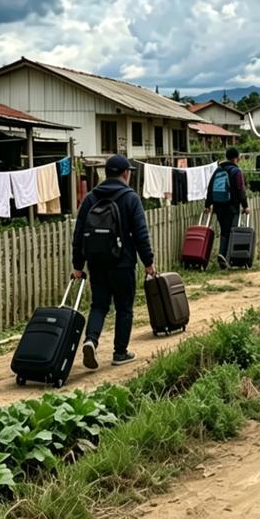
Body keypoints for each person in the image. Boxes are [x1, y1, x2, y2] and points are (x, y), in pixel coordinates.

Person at [72, 154, 155, 369]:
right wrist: (148, 261)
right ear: (125, 173)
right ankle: (120, 352)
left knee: (99, 305)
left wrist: (78, 265)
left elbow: (79, 233)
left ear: (106, 173)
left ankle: (91, 340)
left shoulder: (91, 198)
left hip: (97, 263)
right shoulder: (130, 198)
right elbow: (140, 233)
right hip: (123, 263)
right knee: (124, 308)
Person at [206, 147, 250, 268]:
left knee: (224, 231)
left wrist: (208, 205)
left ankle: (222, 255)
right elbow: (241, 189)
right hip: (232, 207)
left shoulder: (218, 170)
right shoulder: (236, 172)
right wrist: (245, 206)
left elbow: (210, 188)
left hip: (218, 206)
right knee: (232, 231)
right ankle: (230, 258)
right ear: (237, 158)